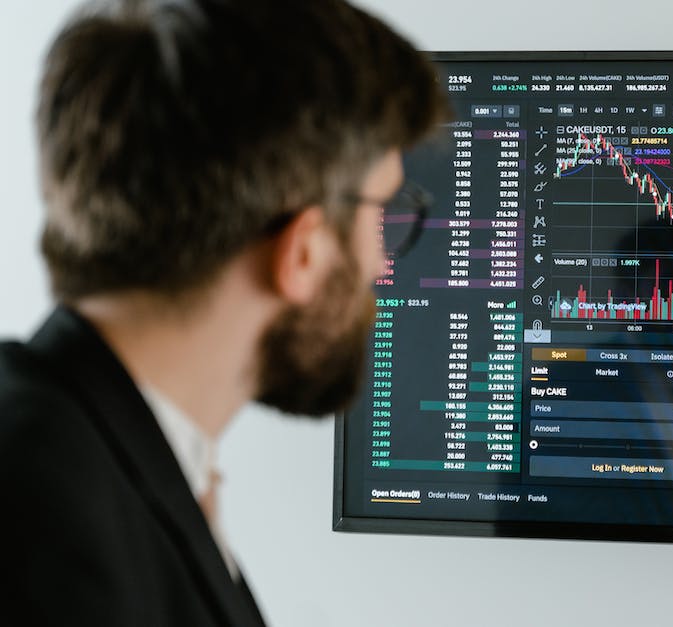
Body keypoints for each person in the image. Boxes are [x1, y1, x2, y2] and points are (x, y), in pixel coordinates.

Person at [0, 0, 448, 624]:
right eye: (384, 212)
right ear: (303, 250)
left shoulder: (110, 461)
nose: (381, 263)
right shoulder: (50, 532)